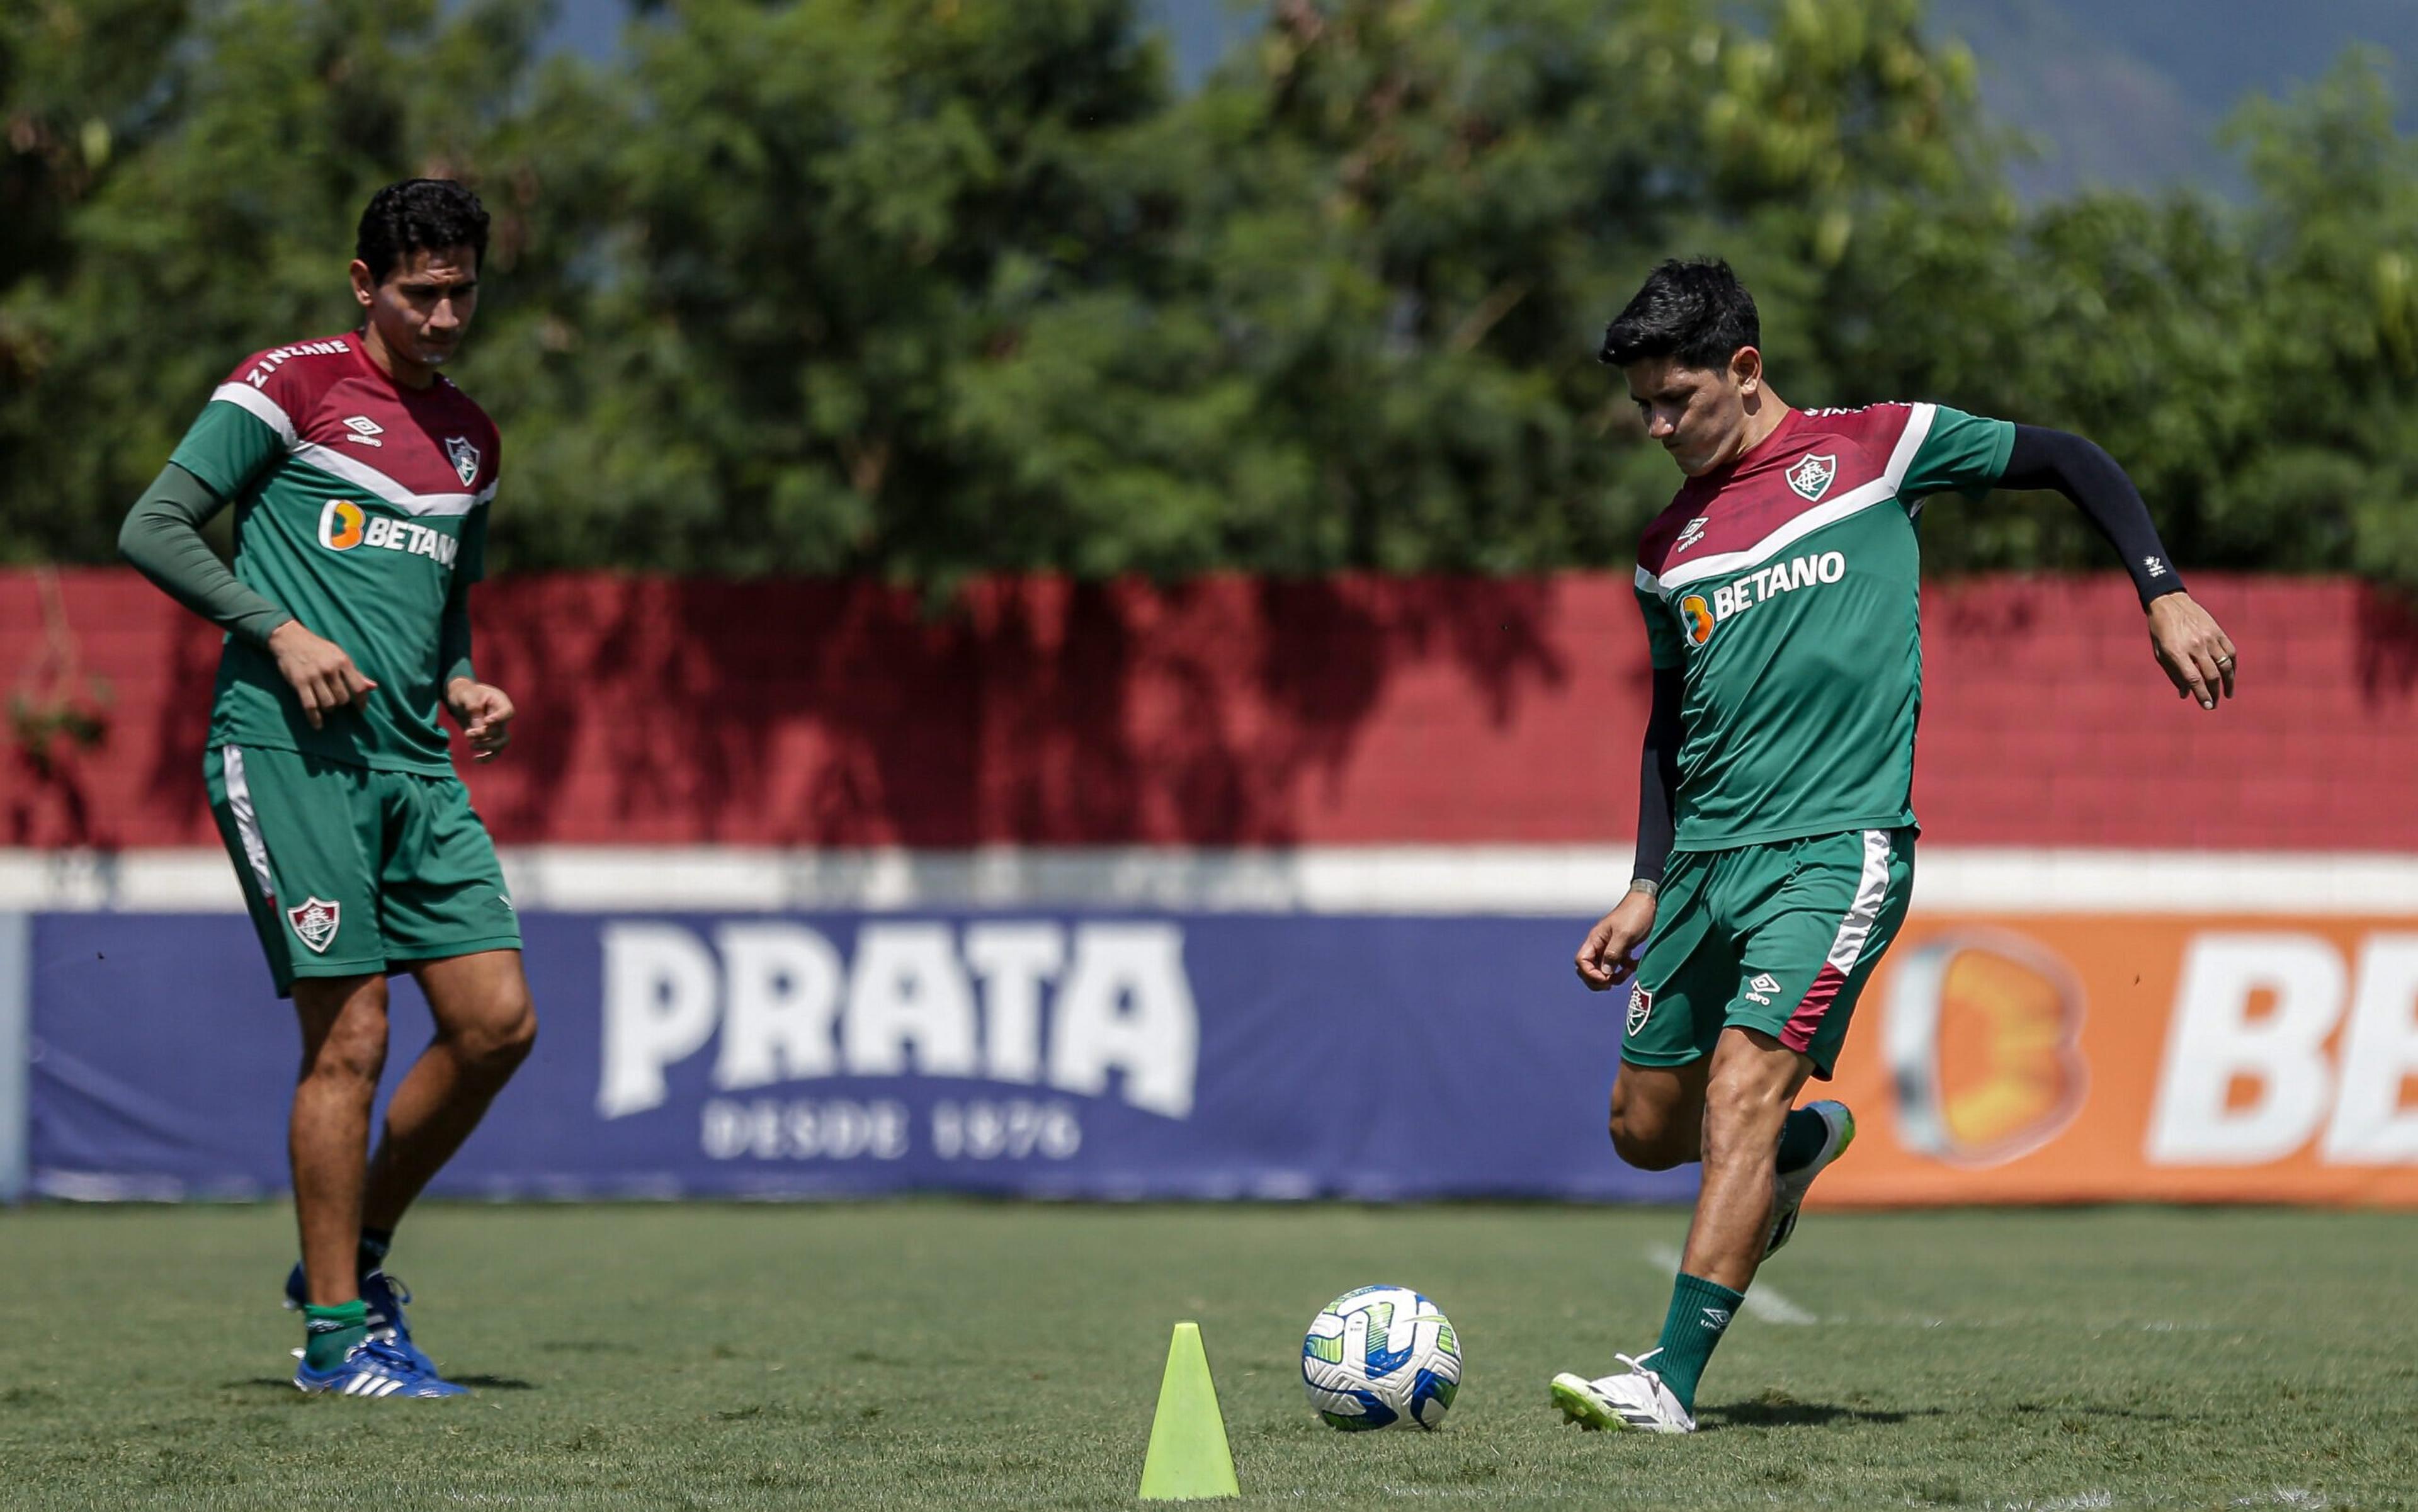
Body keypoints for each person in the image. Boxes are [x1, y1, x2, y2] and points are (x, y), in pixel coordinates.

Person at [1550, 258, 2237, 1434]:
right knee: (1641, 1129)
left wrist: (2161, 590)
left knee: (1739, 1096)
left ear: (1745, 368)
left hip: (1837, 846)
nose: (1658, 426)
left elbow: (2070, 457)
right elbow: (1670, 727)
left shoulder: (1878, 447)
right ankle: (1806, 1145)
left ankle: (1665, 1382)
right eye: (1644, 408)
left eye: (1677, 399)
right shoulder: (1667, 547)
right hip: (1706, 865)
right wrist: (1644, 882)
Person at [118, 178, 536, 1399]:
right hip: (290, 753)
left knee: (498, 1024)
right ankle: (339, 1340)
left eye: (463, 290)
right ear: (366, 285)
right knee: (352, 1035)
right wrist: (280, 630)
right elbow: (157, 524)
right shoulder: (292, 384)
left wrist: (462, 678)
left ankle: (350, 1256)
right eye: (421, 293)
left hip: (417, 763)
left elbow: (448, 597)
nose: (447, 315)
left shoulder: (473, 437)